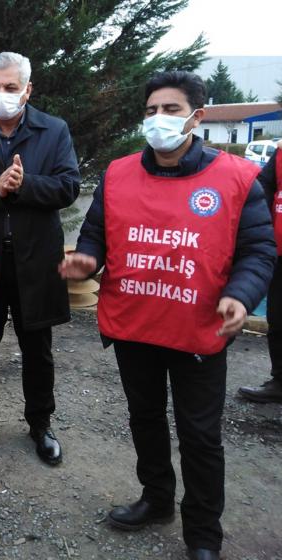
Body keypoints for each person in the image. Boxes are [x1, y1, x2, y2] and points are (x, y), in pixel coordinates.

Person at [60, 71, 275, 560]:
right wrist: (87, 259)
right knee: (146, 419)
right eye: (152, 109)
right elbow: (97, 233)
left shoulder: (238, 178)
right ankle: (156, 500)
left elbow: (258, 250)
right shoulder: (118, 174)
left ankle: (203, 533)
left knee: (200, 436)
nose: (159, 119)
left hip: (198, 329)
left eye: (171, 110)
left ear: (197, 117)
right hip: (136, 323)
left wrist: (240, 296)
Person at [0, 52, 80, 464]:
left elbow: (68, 187)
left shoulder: (54, 129)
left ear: (28, 89)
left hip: (36, 257)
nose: (2, 95)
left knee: (37, 349)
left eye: (11, 88)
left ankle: (40, 424)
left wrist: (25, 185)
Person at [238, 139, 282, 403]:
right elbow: (263, 188)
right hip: (279, 252)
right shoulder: (280, 153)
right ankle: (280, 381)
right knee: (278, 320)